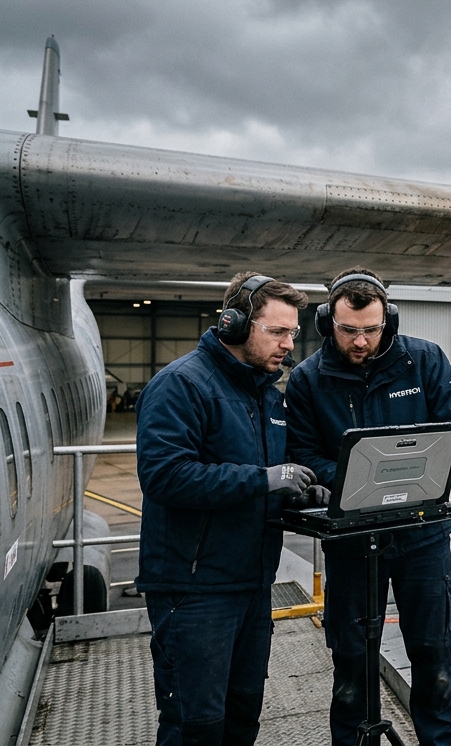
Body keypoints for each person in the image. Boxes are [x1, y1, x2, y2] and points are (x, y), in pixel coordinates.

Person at [285, 268, 451, 746]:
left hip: (422, 537)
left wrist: (417, 476)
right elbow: (303, 455)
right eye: (349, 330)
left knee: (433, 660)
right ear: (328, 320)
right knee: (351, 666)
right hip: (351, 543)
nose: (361, 341)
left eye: (371, 329)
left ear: (387, 319)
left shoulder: (424, 360)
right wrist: (359, 479)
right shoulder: (309, 380)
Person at [137, 273, 318, 745]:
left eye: (292, 333)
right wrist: (265, 479)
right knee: (194, 727)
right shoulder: (181, 385)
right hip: (194, 590)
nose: (287, 344)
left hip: (253, 585)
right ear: (235, 324)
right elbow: (164, 476)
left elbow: (266, 479)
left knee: (241, 722)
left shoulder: (267, 396)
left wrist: (298, 493)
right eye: (277, 332)